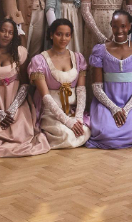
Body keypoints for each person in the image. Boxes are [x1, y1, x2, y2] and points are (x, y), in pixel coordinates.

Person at [0, 19, 49, 158]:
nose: (6, 35)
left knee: (21, 134)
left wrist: (13, 109)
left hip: (16, 105)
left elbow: (25, 84)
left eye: (10, 32)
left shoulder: (19, 53)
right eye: (3, 31)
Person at [86, 11, 132, 149]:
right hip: (106, 103)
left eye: (123, 26)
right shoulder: (100, 50)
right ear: (111, 26)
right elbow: (96, 87)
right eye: (115, 26)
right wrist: (114, 109)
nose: (119, 30)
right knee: (105, 132)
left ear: (129, 26)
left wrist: (125, 110)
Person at [28, 19, 90, 149]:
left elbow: (81, 90)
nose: (63, 39)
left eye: (67, 35)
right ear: (51, 35)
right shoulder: (39, 61)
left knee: (84, 130)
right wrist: (67, 121)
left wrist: (78, 118)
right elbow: (45, 96)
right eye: (59, 34)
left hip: (72, 111)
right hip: (50, 112)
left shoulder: (78, 58)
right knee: (66, 135)